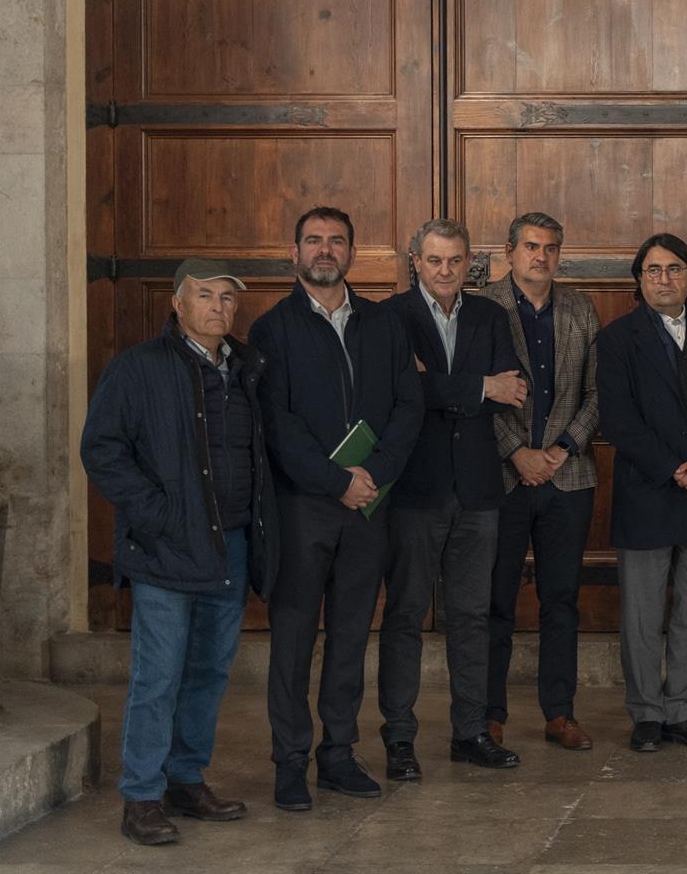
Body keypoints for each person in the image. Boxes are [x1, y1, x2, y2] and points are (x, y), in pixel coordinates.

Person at [81, 260, 276, 845]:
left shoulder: (247, 367)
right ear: (178, 304)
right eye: (205, 295)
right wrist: (158, 515)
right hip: (165, 548)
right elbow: (102, 448)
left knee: (209, 671)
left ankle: (184, 780)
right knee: (158, 674)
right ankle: (141, 795)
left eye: (227, 298)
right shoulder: (139, 368)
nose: (218, 307)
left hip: (230, 545)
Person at [252, 207, 421, 810]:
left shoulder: (383, 323)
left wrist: (374, 474)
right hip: (304, 508)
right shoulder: (272, 329)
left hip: (369, 505)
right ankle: (289, 763)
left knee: (350, 636)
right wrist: (335, 481)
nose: (325, 250)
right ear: (294, 252)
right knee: (294, 640)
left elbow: (408, 405)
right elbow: (276, 423)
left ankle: (338, 755)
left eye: (337, 241)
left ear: (352, 252)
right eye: (314, 240)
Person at [380, 218, 527, 779]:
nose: (445, 271)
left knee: (472, 617)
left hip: (479, 490)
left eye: (456, 260)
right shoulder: (390, 317)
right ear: (415, 260)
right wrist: (479, 386)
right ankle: (399, 738)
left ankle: (470, 732)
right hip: (414, 490)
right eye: (435, 260)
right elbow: (400, 391)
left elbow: (512, 390)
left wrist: (439, 388)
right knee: (405, 615)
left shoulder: (490, 315)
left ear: (471, 264)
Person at [598, 233, 687, 752]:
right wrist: (675, 470)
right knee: (641, 614)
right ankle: (646, 714)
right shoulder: (617, 339)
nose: (665, 279)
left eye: (675, 269)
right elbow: (618, 419)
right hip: (648, 492)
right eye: (654, 270)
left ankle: (682, 710)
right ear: (640, 280)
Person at [477, 212, 600, 753]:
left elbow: (598, 393)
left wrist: (561, 449)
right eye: (530, 246)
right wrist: (517, 453)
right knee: (494, 601)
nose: (540, 256)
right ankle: (489, 714)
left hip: (567, 476)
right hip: (502, 477)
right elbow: (475, 393)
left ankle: (560, 713)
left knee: (562, 600)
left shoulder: (580, 309)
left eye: (550, 248)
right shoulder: (483, 308)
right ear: (509, 252)